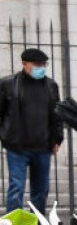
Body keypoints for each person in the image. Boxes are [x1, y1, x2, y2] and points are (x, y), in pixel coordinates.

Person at [0, 48, 61, 215]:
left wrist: (57, 139)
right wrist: (5, 136)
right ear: (24, 63)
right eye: (36, 64)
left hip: (42, 145)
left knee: (41, 188)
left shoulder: (50, 86)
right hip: (17, 146)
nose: (40, 67)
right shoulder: (8, 84)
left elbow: (56, 114)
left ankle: (37, 219)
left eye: (43, 64)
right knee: (16, 186)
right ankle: (13, 221)